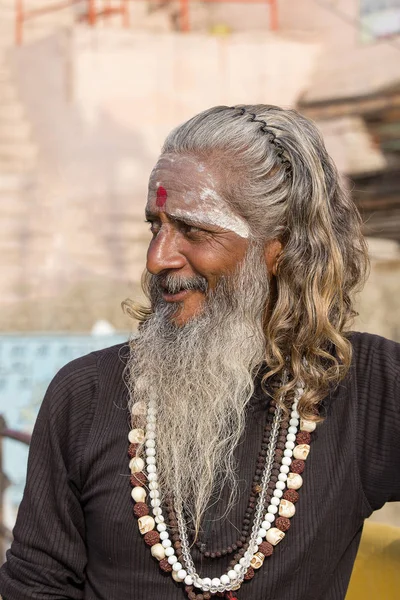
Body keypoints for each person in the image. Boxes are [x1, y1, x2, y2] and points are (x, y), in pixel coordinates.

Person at [1, 104, 399, 600]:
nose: (157, 258)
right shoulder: (84, 395)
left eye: (193, 230)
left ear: (281, 246)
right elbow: (36, 586)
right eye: (155, 227)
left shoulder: (364, 388)